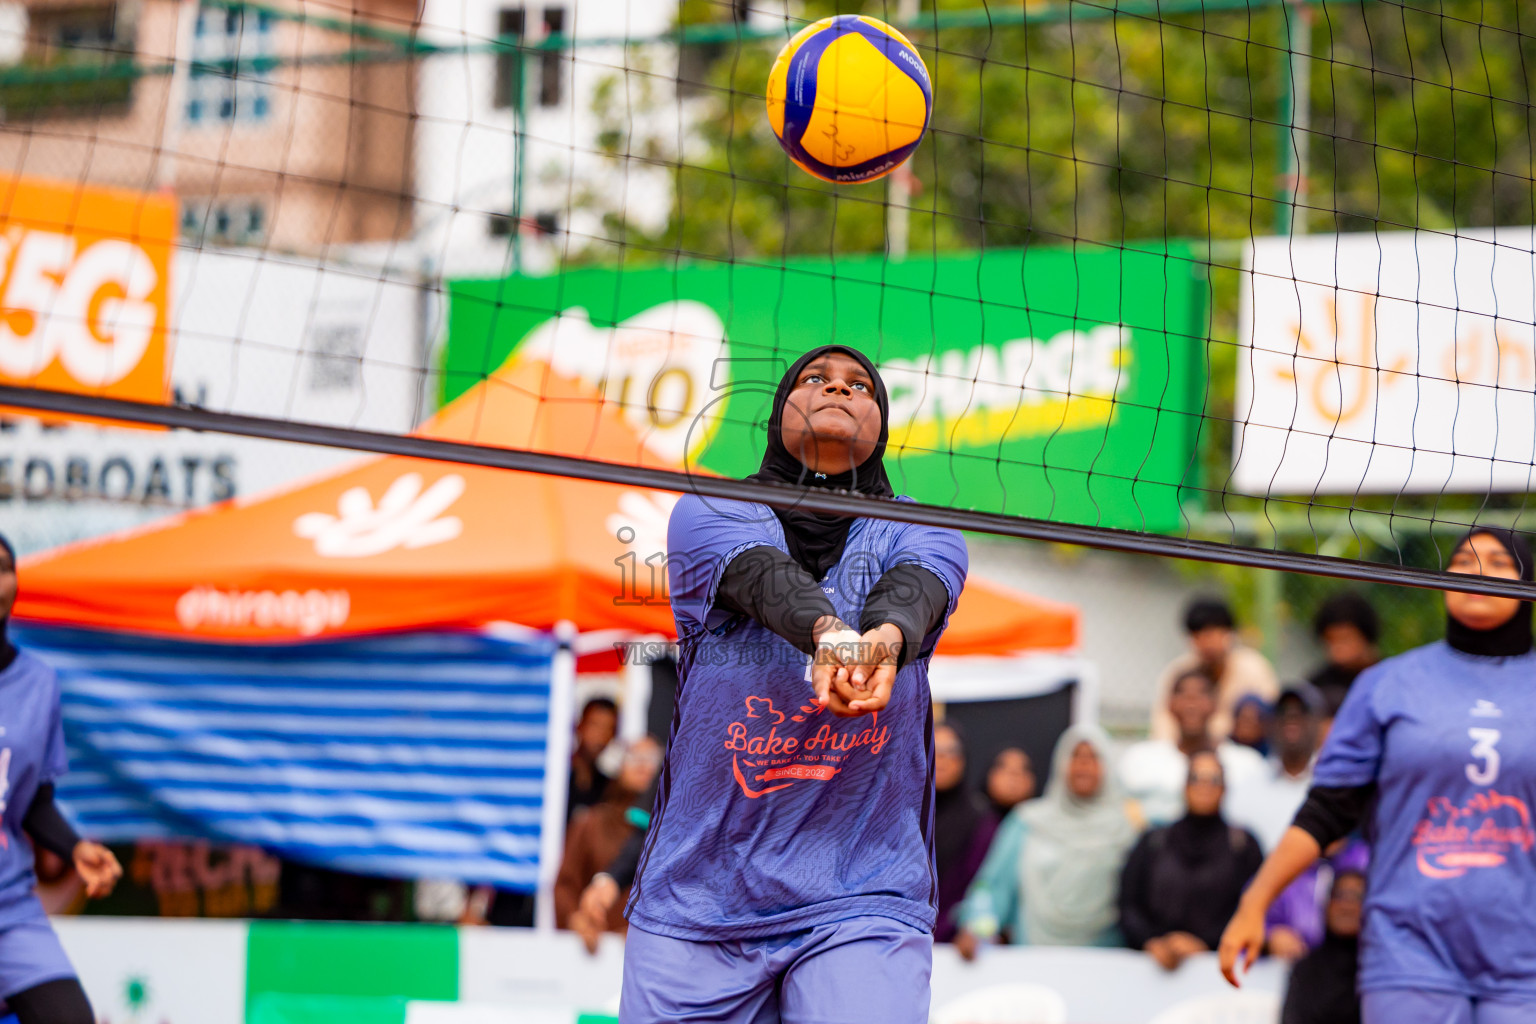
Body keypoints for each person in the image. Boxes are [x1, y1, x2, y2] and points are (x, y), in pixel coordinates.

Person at [618, 346, 968, 1024]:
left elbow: (912, 592)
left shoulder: (926, 526)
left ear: (881, 422)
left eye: (858, 385)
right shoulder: (710, 509)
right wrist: (830, 640)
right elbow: (763, 578)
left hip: (863, 888)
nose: (838, 388)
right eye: (816, 379)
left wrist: (883, 642)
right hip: (700, 892)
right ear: (781, 410)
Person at [1220, 528, 1536, 1023]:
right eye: (1463, 561)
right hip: (1410, 951)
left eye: (1498, 562)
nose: (1478, 572)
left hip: (1526, 957)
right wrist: (1255, 901)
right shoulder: (1387, 685)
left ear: (1527, 581)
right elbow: (1327, 810)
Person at [0, 533, 124, 1024]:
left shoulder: (38, 683)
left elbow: (31, 800)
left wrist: (75, 848)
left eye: (4, 567)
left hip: (10, 912)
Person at [953, 724, 1140, 954]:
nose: (1083, 765)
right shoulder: (1028, 822)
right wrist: (979, 929)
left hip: (1105, 964)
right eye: (1075, 756)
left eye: (1093, 757)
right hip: (1035, 961)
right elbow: (993, 889)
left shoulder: (1128, 828)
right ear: (1060, 763)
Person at [1120, 750, 1263, 971]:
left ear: (1224, 788)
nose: (1204, 786)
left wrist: (1205, 944)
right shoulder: (1153, 841)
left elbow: (1254, 906)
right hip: (1153, 971)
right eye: (1196, 778)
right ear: (1184, 786)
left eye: (1213, 779)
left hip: (1220, 974)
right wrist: (1151, 942)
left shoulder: (1243, 846)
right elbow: (1128, 904)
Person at [1120, 667, 1266, 826]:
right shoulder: (1140, 759)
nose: (1191, 705)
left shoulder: (1247, 764)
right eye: (1184, 696)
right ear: (1169, 704)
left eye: (1200, 696)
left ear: (1215, 704)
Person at [559, 736, 662, 938]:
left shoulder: (671, 832)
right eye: (635, 757)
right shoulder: (590, 823)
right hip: (595, 948)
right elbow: (565, 885)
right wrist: (575, 919)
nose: (643, 766)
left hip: (647, 949)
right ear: (620, 765)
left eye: (652, 759)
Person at [1150, 597, 1279, 743]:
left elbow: (1269, 720)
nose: (1206, 643)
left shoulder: (1253, 668)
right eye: (1198, 636)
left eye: (1211, 635)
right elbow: (1163, 726)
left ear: (1229, 633)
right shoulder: (1178, 673)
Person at [1229, 682, 1324, 853]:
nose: (1291, 716)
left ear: (1317, 722)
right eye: (1283, 712)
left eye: (1301, 711)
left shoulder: (1331, 784)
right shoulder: (1249, 783)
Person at [931, 723, 997, 942]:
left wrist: (971, 926)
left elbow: (985, 885)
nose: (942, 759)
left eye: (952, 752)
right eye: (934, 749)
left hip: (958, 943)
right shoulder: (898, 814)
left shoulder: (981, 820)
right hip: (898, 937)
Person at [1280, 867, 1367, 1024]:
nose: (1346, 905)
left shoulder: (1379, 970)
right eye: (1340, 895)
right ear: (1326, 905)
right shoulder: (1305, 968)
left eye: (1357, 897)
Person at [1308, 591, 1381, 716]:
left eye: (1344, 639)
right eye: (1330, 641)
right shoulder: (1317, 687)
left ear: (1366, 637)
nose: (1338, 650)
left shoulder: (1389, 678)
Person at [568, 697, 618, 822]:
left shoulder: (608, 787)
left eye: (608, 728)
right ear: (579, 726)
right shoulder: (555, 777)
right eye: (595, 725)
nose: (601, 735)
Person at [984, 747, 1036, 818]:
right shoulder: (974, 821)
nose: (1014, 776)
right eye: (1002, 766)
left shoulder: (1038, 824)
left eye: (1024, 769)